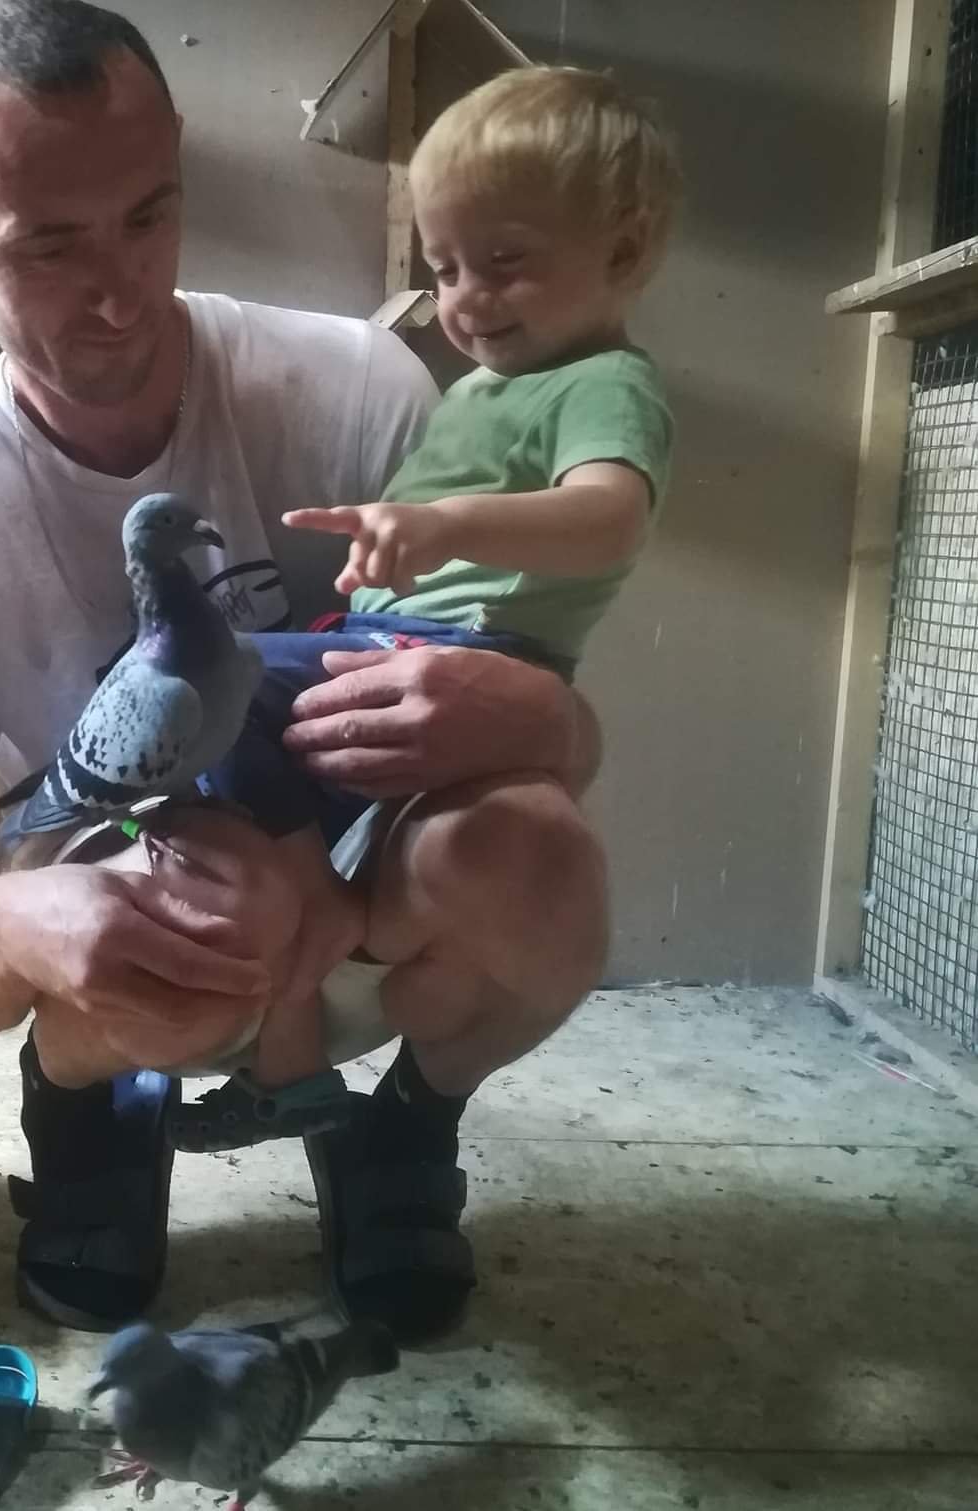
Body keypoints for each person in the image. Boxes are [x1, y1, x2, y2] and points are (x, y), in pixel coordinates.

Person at [0, 0, 608, 1345]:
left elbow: (556, 747)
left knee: (540, 857)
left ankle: (401, 1128)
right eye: (50, 245)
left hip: (368, 885)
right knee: (196, 898)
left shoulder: (360, 390)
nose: (120, 290)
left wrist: (543, 715)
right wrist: (22, 924)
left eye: (149, 214)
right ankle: (91, 1111)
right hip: (143, 919)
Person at [169, 65, 679, 1150]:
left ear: (623, 251)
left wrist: (444, 526)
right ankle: (291, 1024)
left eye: (503, 263)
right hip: (392, 634)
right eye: (444, 269)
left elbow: (608, 517)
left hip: (463, 650)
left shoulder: (603, 383)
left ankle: (319, 924)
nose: (466, 300)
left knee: (214, 676)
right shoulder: (487, 388)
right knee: (214, 720)